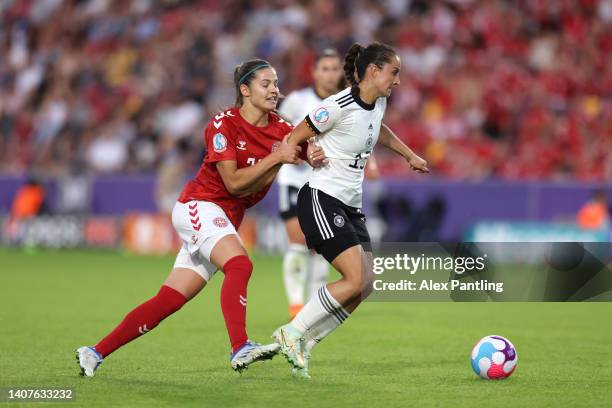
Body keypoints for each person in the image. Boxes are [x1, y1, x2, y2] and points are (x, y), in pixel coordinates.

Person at [76, 59, 327, 377]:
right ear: (245, 90)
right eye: (266, 83)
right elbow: (234, 183)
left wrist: (316, 156)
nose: (275, 89)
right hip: (199, 206)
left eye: (276, 83)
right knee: (240, 264)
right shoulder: (223, 124)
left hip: (222, 217)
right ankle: (240, 347)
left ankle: (94, 352)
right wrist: (276, 157)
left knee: (168, 300)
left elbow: (310, 152)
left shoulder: (282, 129)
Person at [272, 43, 429, 378]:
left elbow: (379, 129)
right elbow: (292, 137)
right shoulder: (336, 106)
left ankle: (307, 343)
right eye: (394, 72)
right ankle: (291, 331)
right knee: (354, 278)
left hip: (350, 204)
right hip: (321, 197)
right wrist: (309, 151)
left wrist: (409, 155)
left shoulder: (379, 102)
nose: (397, 80)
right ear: (374, 71)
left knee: (366, 285)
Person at [277, 48, 380, 319]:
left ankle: (315, 304)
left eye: (335, 68)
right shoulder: (298, 100)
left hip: (330, 181)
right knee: (298, 242)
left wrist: (372, 162)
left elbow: (362, 133)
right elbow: (281, 130)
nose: (331, 74)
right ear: (314, 72)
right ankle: (296, 305)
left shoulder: (350, 100)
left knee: (321, 250)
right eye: (325, 68)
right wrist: (303, 150)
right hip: (295, 178)